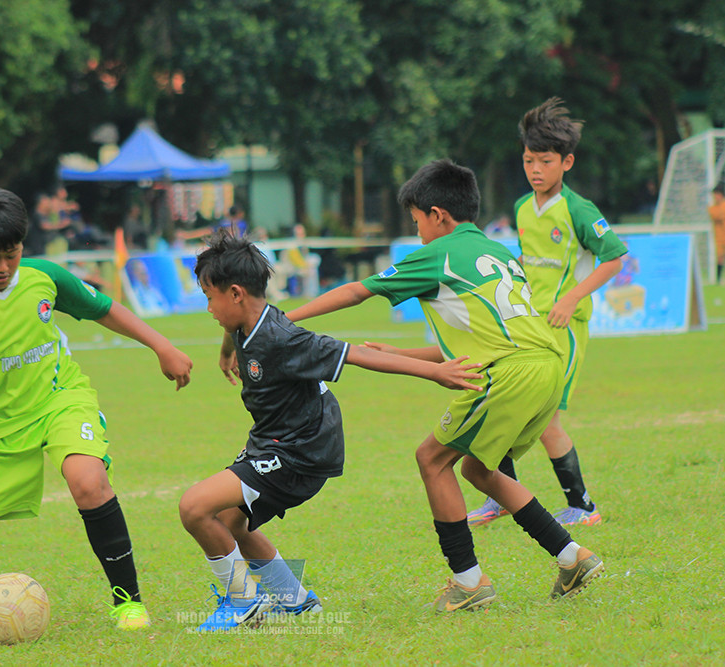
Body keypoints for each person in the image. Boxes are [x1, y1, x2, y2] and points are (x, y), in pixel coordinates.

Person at [284, 160, 605, 611]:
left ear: (438, 215)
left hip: (511, 373)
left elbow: (358, 291)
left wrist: (281, 318)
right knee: (477, 470)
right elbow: (477, 344)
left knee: (431, 459)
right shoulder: (497, 253)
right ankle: (572, 557)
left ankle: (469, 582)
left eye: (417, 222)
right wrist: (398, 354)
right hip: (546, 366)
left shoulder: (440, 253)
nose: (417, 234)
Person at [0, 187, 193, 631]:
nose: (3, 267)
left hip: (61, 400)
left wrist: (161, 345)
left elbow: (103, 309)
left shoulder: (44, 276)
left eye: (12, 253)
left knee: (88, 480)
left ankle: (128, 602)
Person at [180, 229, 485, 631]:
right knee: (232, 521)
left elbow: (357, 356)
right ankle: (297, 603)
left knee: (193, 507)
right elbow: (233, 330)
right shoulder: (245, 322)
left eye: (209, 297)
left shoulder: (284, 339)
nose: (208, 308)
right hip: (275, 440)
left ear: (236, 293)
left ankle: (241, 601)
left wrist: (435, 371)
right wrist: (227, 350)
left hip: (300, 451)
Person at [465, 97, 627, 529]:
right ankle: (500, 496)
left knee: (545, 418)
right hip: (528, 325)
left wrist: (571, 298)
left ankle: (583, 507)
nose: (535, 169)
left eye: (545, 161)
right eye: (528, 160)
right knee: (500, 399)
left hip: (565, 329)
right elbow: (531, 257)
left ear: (567, 162)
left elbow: (614, 258)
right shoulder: (521, 208)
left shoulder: (579, 210)